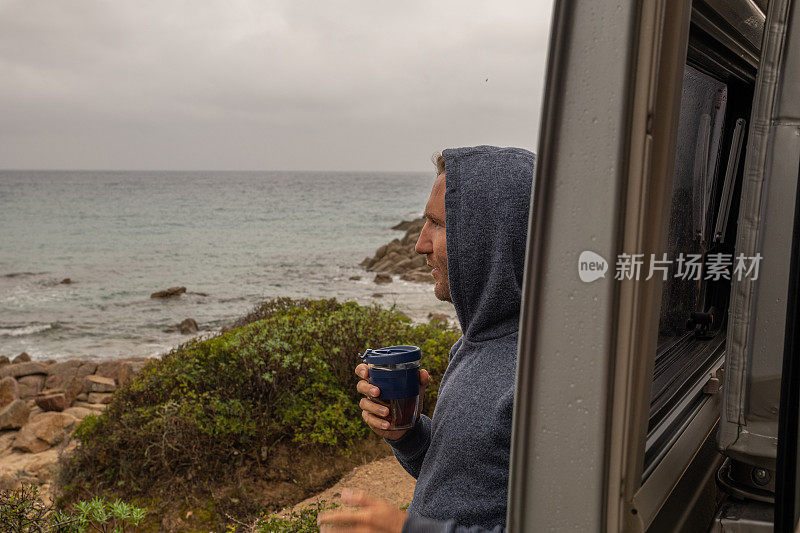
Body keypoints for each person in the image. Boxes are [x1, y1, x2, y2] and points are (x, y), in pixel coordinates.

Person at [318, 146, 535, 532]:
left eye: (438, 224)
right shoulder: (477, 341)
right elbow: (468, 482)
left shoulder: (541, 374)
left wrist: (407, 530)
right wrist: (408, 434)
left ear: (488, 237)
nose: (419, 244)